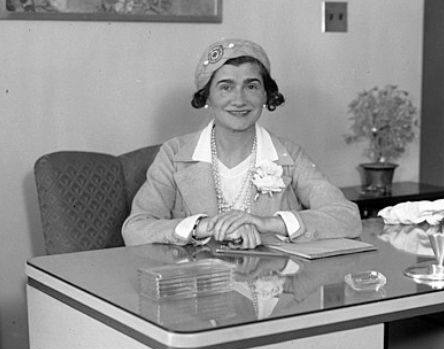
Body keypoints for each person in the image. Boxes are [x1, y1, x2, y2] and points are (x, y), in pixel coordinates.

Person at [122, 38, 362, 248]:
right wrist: (205, 227)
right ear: (207, 97)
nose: (239, 99)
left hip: (273, 287)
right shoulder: (174, 154)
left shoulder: (289, 154)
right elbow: (135, 228)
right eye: (225, 87)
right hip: (200, 289)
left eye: (252, 86)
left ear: (266, 95)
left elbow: (347, 218)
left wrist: (267, 224)